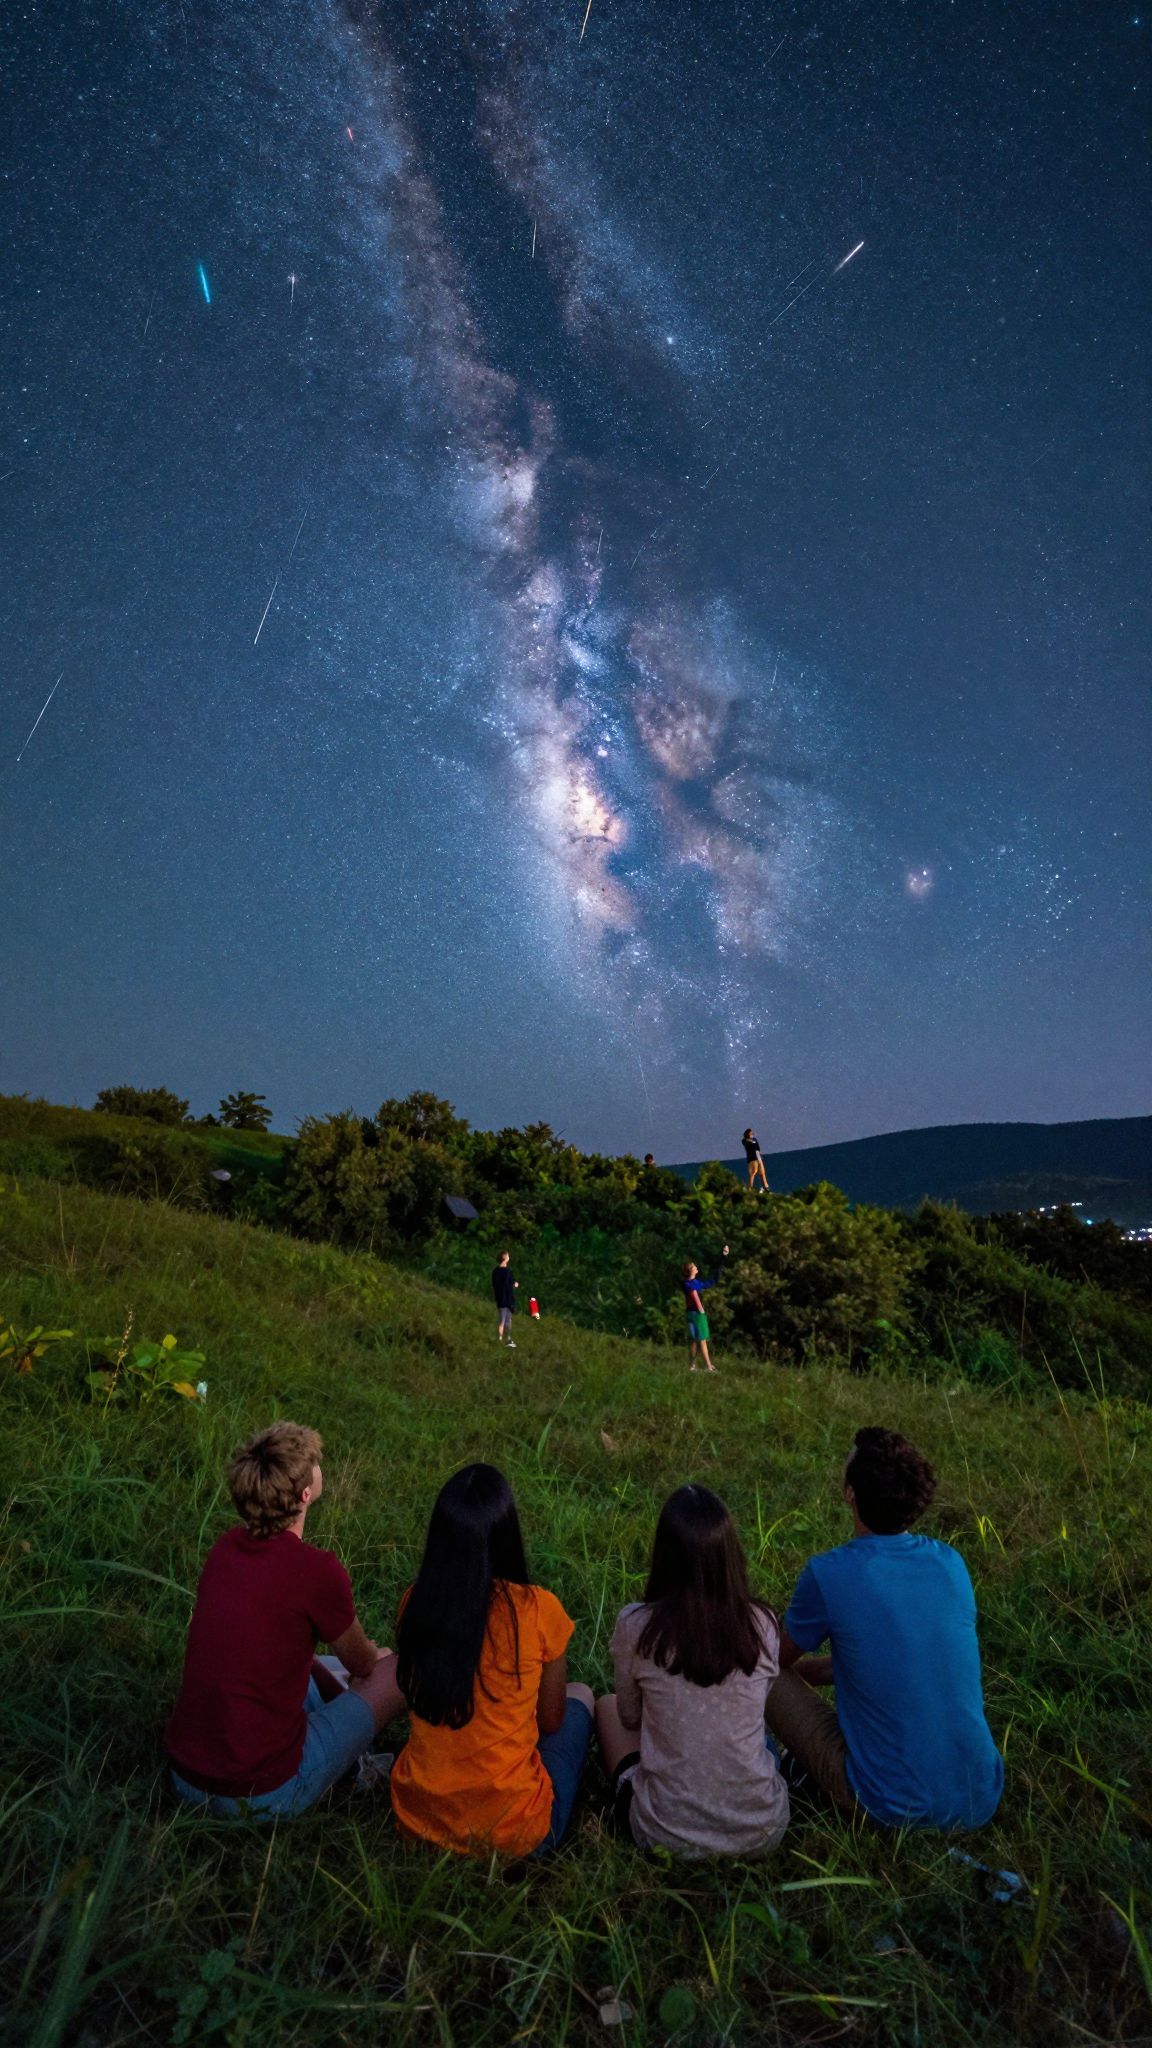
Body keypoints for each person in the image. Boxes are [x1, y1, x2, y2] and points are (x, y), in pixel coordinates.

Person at [765, 1427, 1004, 1829]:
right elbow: (897, 1655)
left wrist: (793, 1670)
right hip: (979, 1796)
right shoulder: (950, 1564)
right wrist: (812, 1673)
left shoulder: (829, 1574)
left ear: (851, 1493)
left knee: (761, 1667)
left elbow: (776, 1659)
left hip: (888, 1804)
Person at [166, 1422, 403, 1817]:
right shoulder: (317, 1572)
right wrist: (372, 1663)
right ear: (306, 1493)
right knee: (393, 1670)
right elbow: (363, 1665)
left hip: (185, 1777)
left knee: (322, 1667)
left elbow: (279, 1651)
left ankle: (336, 1724)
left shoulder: (226, 1549)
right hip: (260, 1794)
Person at [390, 1463, 593, 1858]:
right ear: (508, 1535)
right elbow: (551, 1721)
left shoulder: (416, 1603)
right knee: (582, 1695)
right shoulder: (539, 1609)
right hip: (515, 1834)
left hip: (417, 1821)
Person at [596, 1485, 789, 1858]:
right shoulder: (763, 1623)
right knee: (757, 1741)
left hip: (662, 1834)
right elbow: (758, 1708)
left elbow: (629, 1717)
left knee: (605, 1705)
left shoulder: (637, 1626)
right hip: (762, 1830)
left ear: (663, 1556)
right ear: (730, 1554)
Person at [682, 1245, 728, 1372]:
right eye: (694, 1267)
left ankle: (692, 1366)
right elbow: (694, 1295)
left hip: (690, 1314)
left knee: (694, 1340)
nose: (696, 1267)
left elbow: (712, 1280)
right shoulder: (690, 1284)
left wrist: (723, 1257)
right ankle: (709, 1367)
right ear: (690, 1271)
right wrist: (701, 1310)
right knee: (702, 1340)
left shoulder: (692, 1283)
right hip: (696, 1314)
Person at [492, 1250, 519, 1348]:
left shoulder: (495, 1271)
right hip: (508, 1299)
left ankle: (501, 1339)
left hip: (500, 1298)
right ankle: (506, 1339)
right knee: (507, 1320)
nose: (509, 1257)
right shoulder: (507, 1272)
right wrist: (514, 1285)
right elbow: (510, 1284)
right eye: (508, 1256)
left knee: (502, 1320)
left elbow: (496, 1285)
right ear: (504, 1258)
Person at [742, 1128, 769, 1193]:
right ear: (747, 1134)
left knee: (762, 1172)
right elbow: (749, 1146)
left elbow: (757, 1147)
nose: (752, 1134)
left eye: (752, 1133)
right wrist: (751, 1142)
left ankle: (766, 1187)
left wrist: (759, 1156)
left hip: (758, 1157)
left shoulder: (754, 1139)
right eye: (750, 1133)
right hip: (752, 1158)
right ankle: (749, 1188)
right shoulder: (744, 1140)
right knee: (753, 1172)